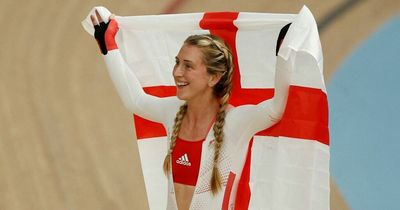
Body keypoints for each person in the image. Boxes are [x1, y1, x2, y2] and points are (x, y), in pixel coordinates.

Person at [91, 10, 290, 210]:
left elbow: (275, 108)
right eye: (177, 62)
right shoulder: (172, 112)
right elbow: (135, 100)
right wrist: (109, 48)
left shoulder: (236, 121)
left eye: (188, 66)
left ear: (214, 77)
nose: (177, 73)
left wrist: (284, 55)